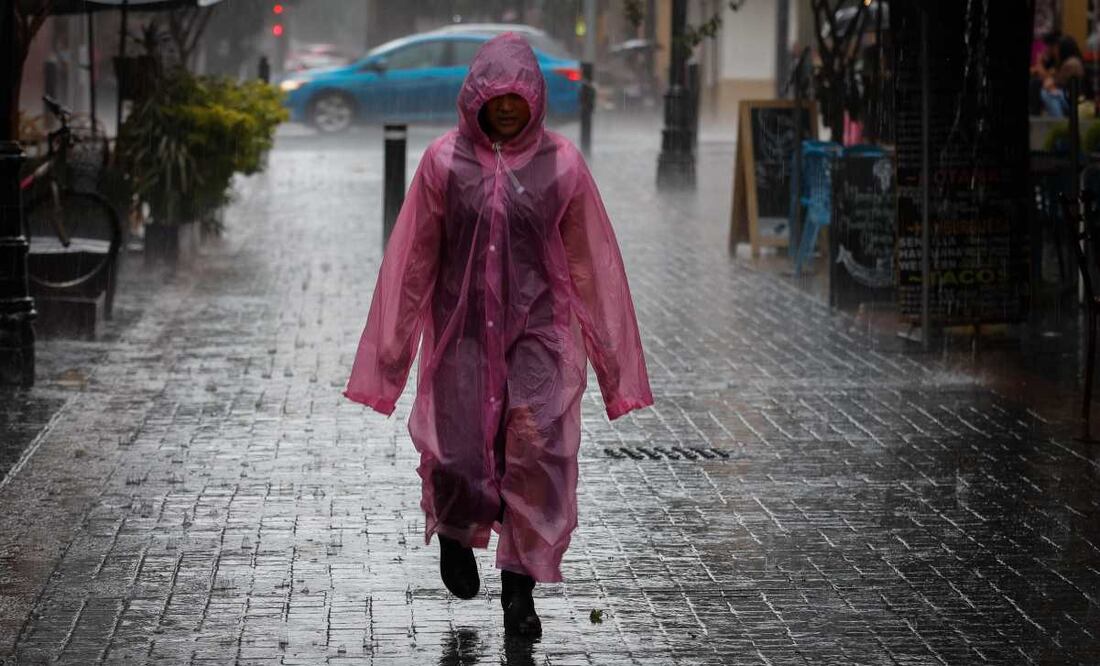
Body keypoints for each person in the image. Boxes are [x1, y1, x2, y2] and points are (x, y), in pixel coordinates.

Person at [344, 33, 654, 637]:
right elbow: (412, 261)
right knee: (458, 458)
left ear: (535, 98)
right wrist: (391, 353)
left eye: (518, 96)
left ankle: (521, 591)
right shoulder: (443, 162)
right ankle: (456, 537)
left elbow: (593, 263)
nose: (507, 107)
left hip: (540, 337)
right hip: (461, 338)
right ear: (476, 98)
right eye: (496, 95)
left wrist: (614, 366)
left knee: (536, 459)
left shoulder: (562, 164)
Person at [1039, 33, 1085, 118]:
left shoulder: (1071, 63)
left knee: (1046, 94)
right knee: (1048, 92)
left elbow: (1052, 83)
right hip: (1067, 95)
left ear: (1064, 49)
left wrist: (1040, 63)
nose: (1055, 51)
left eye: (1057, 49)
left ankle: (1058, 120)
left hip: (1075, 99)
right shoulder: (1067, 62)